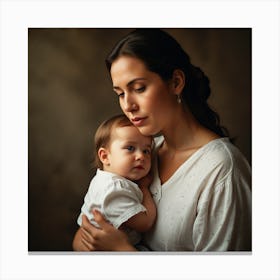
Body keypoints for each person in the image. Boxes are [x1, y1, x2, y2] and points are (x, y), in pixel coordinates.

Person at [73, 28, 251, 251]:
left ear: (176, 82)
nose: (128, 105)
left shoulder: (222, 170)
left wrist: (122, 252)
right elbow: (86, 233)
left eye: (139, 88)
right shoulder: (144, 153)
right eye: (120, 94)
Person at [75, 114, 156, 248]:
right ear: (105, 156)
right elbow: (146, 222)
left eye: (146, 151)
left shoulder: (103, 179)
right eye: (130, 148)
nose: (141, 156)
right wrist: (145, 189)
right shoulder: (114, 189)